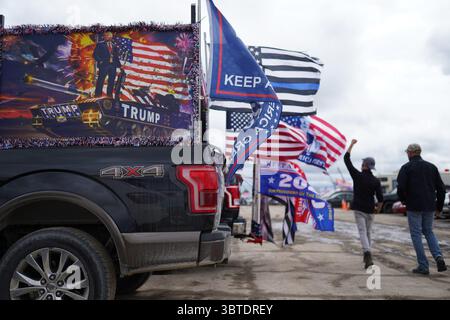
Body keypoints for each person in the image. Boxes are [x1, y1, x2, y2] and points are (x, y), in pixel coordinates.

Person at [397, 144, 447, 275]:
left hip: (414, 206)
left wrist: (403, 200)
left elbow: (401, 187)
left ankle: (423, 266)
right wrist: (439, 207)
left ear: (410, 153)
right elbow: (441, 189)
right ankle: (438, 257)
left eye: (407, 152)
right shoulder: (432, 167)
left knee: (416, 235)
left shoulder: (406, 168)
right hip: (430, 205)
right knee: (429, 232)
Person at [344, 139, 383, 269]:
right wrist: (378, 208)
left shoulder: (357, 176)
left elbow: (346, 160)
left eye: (362, 163)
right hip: (371, 209)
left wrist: (351, 145)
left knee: (362, 232)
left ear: (365, 165)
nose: (361, 165)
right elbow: (380, 198)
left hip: (359, 209)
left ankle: (367, 253)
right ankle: (367, 255)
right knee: (368, 233)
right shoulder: (376, 181)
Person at [94, 32, 121, 97]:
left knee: (111, 81)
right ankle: (97, 95)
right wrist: (100, 61)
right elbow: (95, 54)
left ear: (110, 37)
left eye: (107, 35)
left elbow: (116, 57)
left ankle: (109, 95)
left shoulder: (114, 45)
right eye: (104, 35)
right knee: (101, 80)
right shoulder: (100, 44)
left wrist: (120, 66)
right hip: (104, 65)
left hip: (112, 66)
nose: (105, 36)